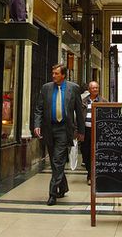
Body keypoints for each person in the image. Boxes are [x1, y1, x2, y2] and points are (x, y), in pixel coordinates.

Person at [33, 64, 85, 205]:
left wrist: (81, 131)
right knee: (56, 161)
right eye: (53, 73)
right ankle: (63, 186)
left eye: (56, 73)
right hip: (49, 129)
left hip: (64, 129)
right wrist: (37, 125)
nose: (53, 75)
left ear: (63, 75)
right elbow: (39, 109)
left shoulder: (73, 88)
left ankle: (52, 193)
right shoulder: (46, 88)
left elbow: (79, 111)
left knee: (57, 160)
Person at [81, 80, 107, 185]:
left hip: (97, 131)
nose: (95, 89)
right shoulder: (83, 101)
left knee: (95, 153)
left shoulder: (103, 101)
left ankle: (91, 175)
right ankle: (89, 170)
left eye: (96, 88)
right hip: (86, 130)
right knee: (85, 152)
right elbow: (78, 116)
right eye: (93, 88)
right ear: (89, 89)